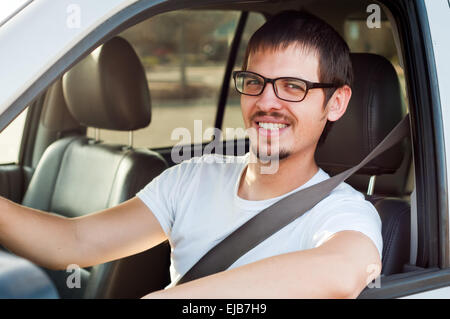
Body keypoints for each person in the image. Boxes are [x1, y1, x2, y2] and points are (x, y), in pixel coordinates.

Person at [0, 11, 382, 299]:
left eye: (292, 87)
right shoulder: (194, 177)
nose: (267, 102)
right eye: (254, 83)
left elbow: (343, 269)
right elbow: (76, 241)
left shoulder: (342, 210)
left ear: (336, 103)